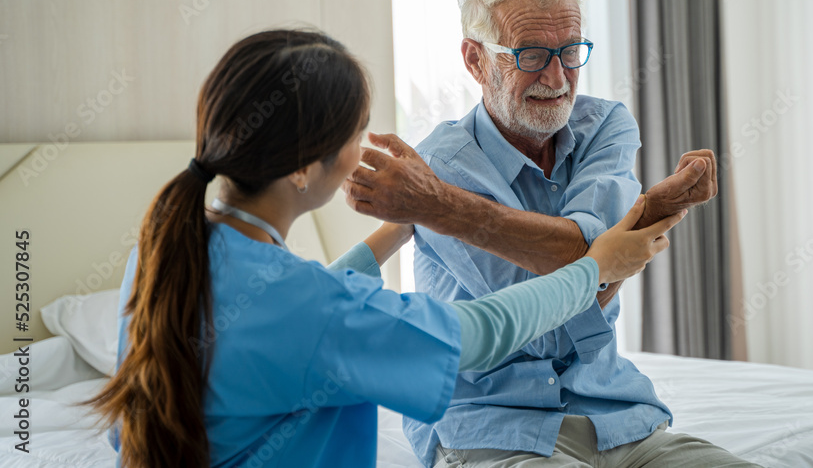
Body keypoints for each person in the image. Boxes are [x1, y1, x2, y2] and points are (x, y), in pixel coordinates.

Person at [87, 29, 685, 468]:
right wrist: (595, 267)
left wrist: (396, 230)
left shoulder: (166, 249)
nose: (363, 150)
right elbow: (475, 333)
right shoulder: (310, 309)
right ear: (303, 166)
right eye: (356, 132)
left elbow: (307, 310)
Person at [342, 0, 762, 467]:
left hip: (617, 415)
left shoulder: (605, 125)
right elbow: (552, 299)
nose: (558, 76)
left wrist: (642, 217)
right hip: (494, 425)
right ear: (475, 60)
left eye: (570, 51)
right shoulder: (438, 166)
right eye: (532, 54)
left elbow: (592, 263)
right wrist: (626, 232)